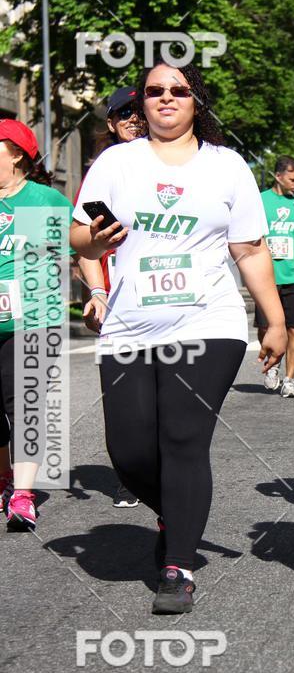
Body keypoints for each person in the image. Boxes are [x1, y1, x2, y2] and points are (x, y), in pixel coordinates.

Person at [71, 61, 287, 614]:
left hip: (207, 323)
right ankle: (178, 512)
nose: (165, 98)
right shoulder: (116, 163)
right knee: (128, 452)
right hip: (129, 325)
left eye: (179, 90)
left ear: (197, 100)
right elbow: (80, 239)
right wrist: (96, 239)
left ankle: (179, 566)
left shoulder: (226, 165)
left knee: (184, 439)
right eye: (154, 91)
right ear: (141, 102)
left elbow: (250, 249)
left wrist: (275, 320)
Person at [0, 119, 74, 530]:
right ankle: (5, 478)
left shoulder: (39, 202)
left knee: (24, 404)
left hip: (32, 320)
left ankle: (24, 493)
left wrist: (99, 293)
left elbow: (76, 252)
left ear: (16, 155)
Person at [76, 85, 145, 508]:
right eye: (124, 114)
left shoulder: (171, 163)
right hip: (118, 304)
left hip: (167, 303)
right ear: (111, 123)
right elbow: (87, 243)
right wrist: (98, 292)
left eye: (139, 112)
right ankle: (129, 475)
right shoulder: (104, 170)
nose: (134, 120)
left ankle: (163, 469)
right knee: (124, 399)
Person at [257, 156, 294, 397]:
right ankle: (273, 364)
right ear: (278, 177)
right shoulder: (260, 201)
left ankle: (289, 379)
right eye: (293, 179)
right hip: (266, 277)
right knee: (265, 326)